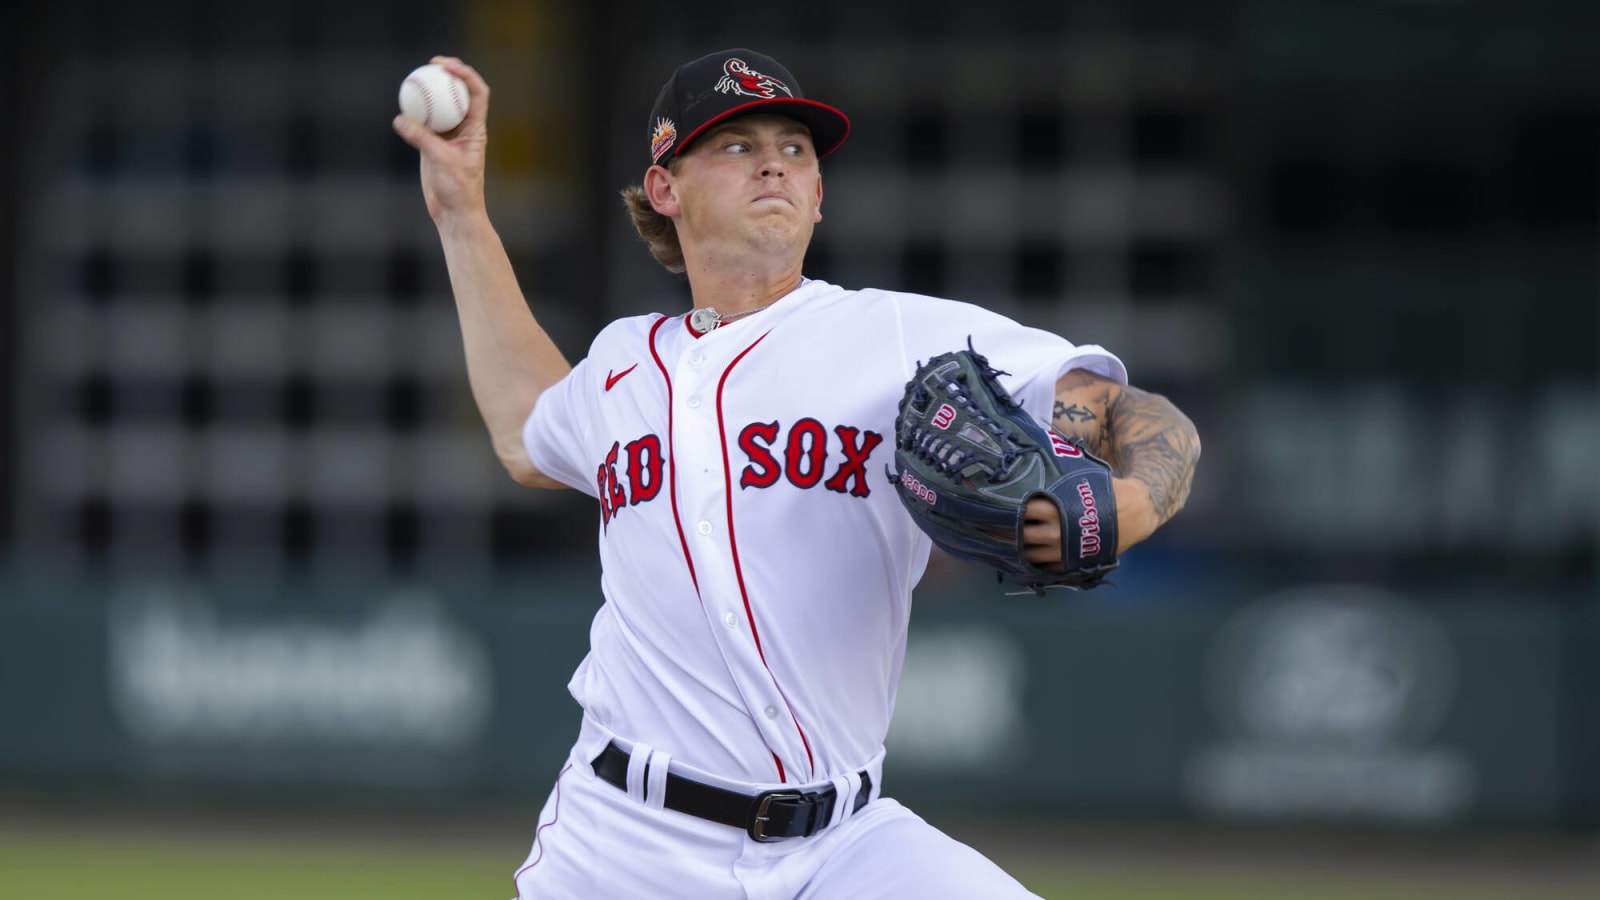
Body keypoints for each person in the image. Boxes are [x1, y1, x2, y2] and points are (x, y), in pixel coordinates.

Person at [394, 47, 1200, 900]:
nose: (775, 158)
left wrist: (1127, 500)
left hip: (847, 846)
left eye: (795, 147)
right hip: (625, 846)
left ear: (817, 196)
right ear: (665, 190)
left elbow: (1126, 409)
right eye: (736, 145)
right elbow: (526, 433)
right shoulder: (621, 365)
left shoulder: (893, 336)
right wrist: (459, 212)